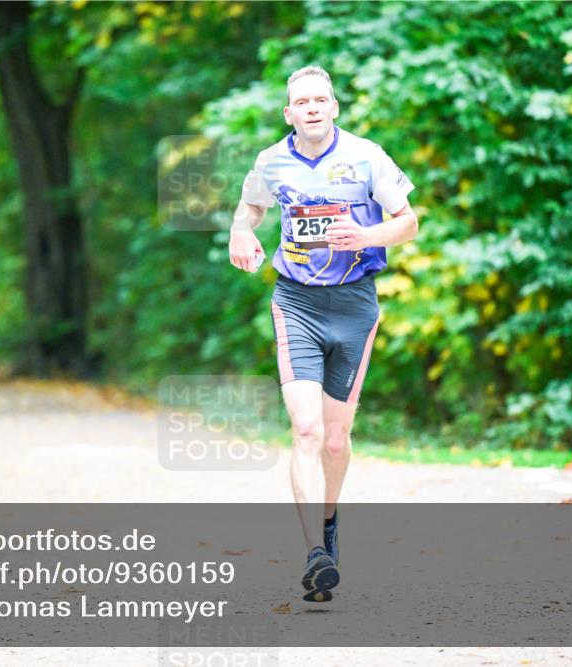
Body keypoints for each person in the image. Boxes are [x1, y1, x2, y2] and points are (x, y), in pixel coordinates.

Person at [228, 66, 419, 602]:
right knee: (307, 431)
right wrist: (240, 234)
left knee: (336, 439)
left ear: (334, 107)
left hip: (356, 304)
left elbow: (408, 222)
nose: (311, 108)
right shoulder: (271, 161)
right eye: (301, 102)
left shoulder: (366, 157)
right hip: (297, 303)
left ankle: (328, 524)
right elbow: (250, 209)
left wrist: (365, 233)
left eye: (321, 100)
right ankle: (315, 552)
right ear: (289, 113)